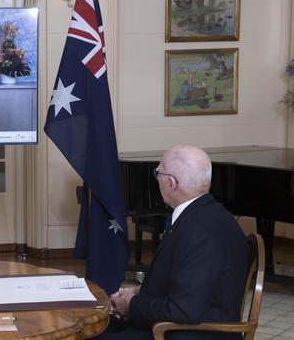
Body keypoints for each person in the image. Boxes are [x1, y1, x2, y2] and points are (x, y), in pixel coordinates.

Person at [96, 145, 248, 340]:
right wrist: (141, 292)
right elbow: (185, 284)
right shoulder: (202, 215)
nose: (156, 178)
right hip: (179, 326)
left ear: (171, 182)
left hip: (189, 333)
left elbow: (183, 311)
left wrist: (132, 304)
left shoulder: (200, 232)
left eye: (158, 172)